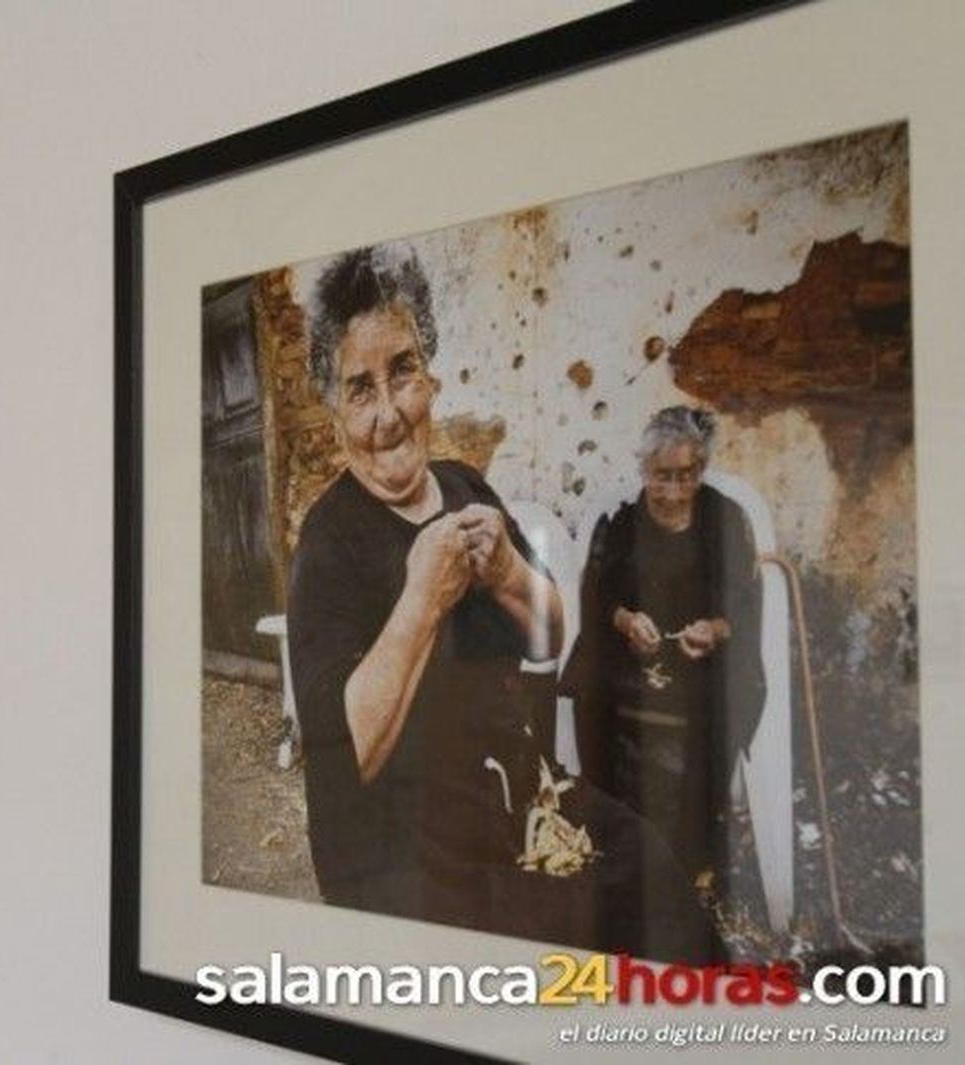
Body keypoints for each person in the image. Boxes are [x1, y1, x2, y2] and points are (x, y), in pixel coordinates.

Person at [288, 245, 719, 961]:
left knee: (653, 872)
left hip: (516, 796)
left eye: (403, 370)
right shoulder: (328, 543)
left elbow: (549, 635)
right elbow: (347, 751)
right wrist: (422, 600)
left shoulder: (465, 486)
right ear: (334, 410)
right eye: (359, 389)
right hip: (404, 847)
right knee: (560, 934)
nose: (389, 413)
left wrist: (511, 572)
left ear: (431, 373)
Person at [564, 406, 765, 883]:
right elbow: (594, 598)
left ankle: (693, 854)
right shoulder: (619, 522)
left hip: (703, 658)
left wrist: (714, 629)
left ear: (702, 468)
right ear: (644, 468)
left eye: (686, 475)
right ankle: (612, 834)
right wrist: (627, 621)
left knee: (723, 698)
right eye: (661, 476)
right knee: (593, 685)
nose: (673, 490)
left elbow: (746, 602)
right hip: (631, 652)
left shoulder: (726, 519)